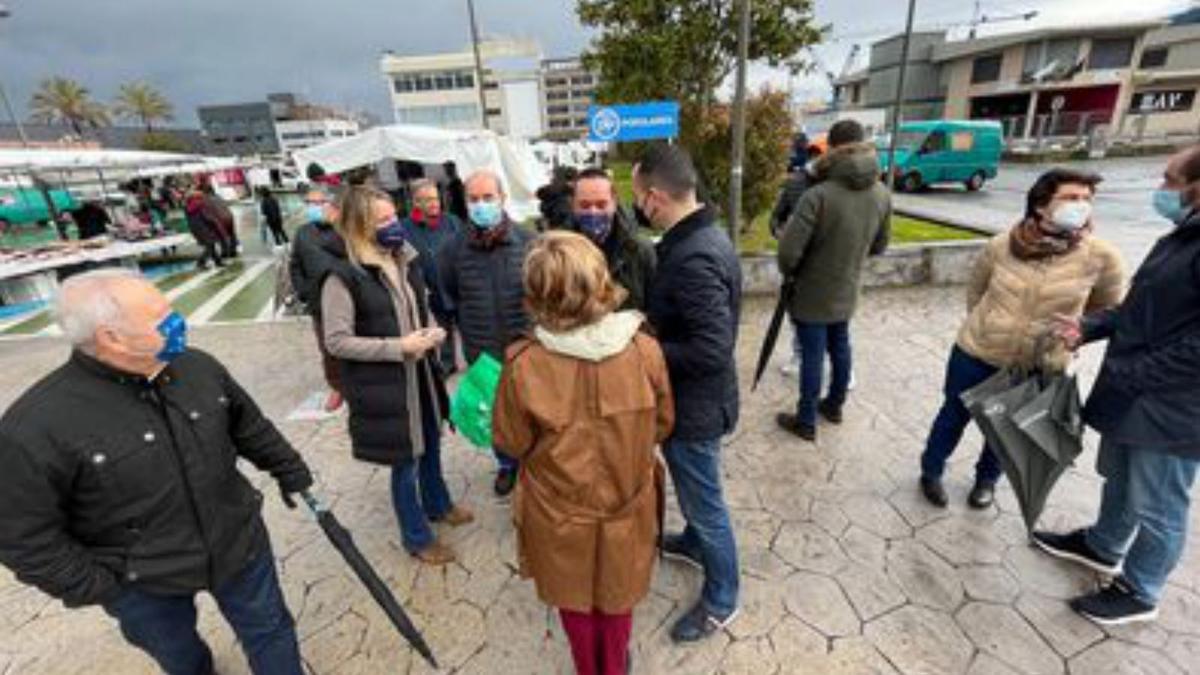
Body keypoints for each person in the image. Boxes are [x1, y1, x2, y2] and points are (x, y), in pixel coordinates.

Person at [0, 269, 313, 675]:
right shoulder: (36, 426)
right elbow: (22, 536)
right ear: (111, 337)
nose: (177, 319)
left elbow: (248, 425)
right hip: (143, 582)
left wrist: (290, 469)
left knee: (270, 631)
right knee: (181, 657)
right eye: (161, 314)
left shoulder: (198, 367)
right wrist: (102, 587)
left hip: (239, 544)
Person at [1033, 145, 1200, 626]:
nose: (1162, 189)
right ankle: (1102, 546)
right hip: (1136, 393)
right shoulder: (1183, 236)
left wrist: (1134, 374)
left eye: (1170, 180)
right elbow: (1141, 309)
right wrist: (1089, 327)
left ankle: (1141, 590)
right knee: (1122, 478)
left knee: (1161, 504)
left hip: (1171, 408)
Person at [493, 231, 673, 675]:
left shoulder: (523, 362)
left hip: (557, 510)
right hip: (627, 500)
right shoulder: (645, 349)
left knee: (574, 597)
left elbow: (509, 443)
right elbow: (665, 424)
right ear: (599, 280)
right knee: (618, 596)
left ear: (536, 292)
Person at [918, 169, 1126, 509]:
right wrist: (988, 325)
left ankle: (986, 481)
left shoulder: (1101, 257)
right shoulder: (1002, 245)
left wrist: (1078, 332)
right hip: (977, 353)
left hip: (1037, 362)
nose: (1082, 206)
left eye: (1088, 199)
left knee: (1007, 428)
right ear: (1042, 205)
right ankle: (931, 472)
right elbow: (976, 290)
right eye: (1071, 198)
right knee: (952, 415)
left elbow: (1109, 310)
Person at [319, 186, 473, 565]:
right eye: (383, 220)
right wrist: (397, 347)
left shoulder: (405, 258)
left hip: (421, 375)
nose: (394, 226)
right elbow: (336, 341)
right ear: (359, 226)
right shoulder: (342, 277)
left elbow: (421, 308)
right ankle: (417, 538)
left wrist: (434, 330)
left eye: (393, 217)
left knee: (432, 442)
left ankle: (439, 504)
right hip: (386, 387)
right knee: (404, 462)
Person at [635, 144, 742, 643]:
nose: (637, 206)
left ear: (655, 198)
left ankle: (722, 597)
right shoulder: (696, 237)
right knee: (698, 495)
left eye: (638, 196)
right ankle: (696, 544)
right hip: (696, 402)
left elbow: (712, 349)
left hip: (695, 408)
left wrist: (646, 349)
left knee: (706, 503)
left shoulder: (694, 255)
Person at [775, 119, 891, 442]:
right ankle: (835, 405)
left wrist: (793, 271)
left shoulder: (818, 195)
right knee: (840, 346)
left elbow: (788, 253)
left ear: (830, 148)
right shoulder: (882, 193)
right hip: (848, 287)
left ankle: (806, 420)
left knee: (812, 353)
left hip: (812, 291)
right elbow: (880, 245)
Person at [438, 169, 534, 498]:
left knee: (530, 412)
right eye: (474, 199)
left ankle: (533, 466)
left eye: (488, 197)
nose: (481, 205)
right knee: (495, 415)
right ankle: (507, 465)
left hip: (526, 349)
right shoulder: (452, 250)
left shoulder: (528, 242)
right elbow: (449, 297)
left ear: (502, 199)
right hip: (483, 352)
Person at [569, 167, 657, 311]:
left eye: (601, 204)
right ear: (573, 205)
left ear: (614, 203)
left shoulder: (639, 249)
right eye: (584, 205)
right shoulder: (559, 253)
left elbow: (656, 308)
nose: (593, 212)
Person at [289, 187, 344, 412]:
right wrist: (303, 291)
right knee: (328, 348)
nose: (314, 207)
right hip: (318, 301)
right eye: (310, 203)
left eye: (319, 203)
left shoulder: (344, 229)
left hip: (347, 298)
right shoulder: (302, 233)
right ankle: (337, 387)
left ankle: (359, 382)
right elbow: (295, 265)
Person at [401, 178, 463, 373]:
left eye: (436, 198)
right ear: (416, 203)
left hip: (457, 285)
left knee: (467, 325)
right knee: (442, 328)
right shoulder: (405, 227)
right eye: (427, 200)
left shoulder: (452, 221)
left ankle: (476, 360)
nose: (434, 203)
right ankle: (447, 362)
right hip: (431, 288)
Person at [184, 186, 224, 269]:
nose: (202, 198)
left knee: (210, 244)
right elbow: (207, 216)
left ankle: (217, 262)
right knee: (210, 244)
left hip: (195, 228)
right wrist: (214, 222)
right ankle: (201, 262)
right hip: (202, 227)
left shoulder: (188, 205)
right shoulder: (199, 204)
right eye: (200, 196)